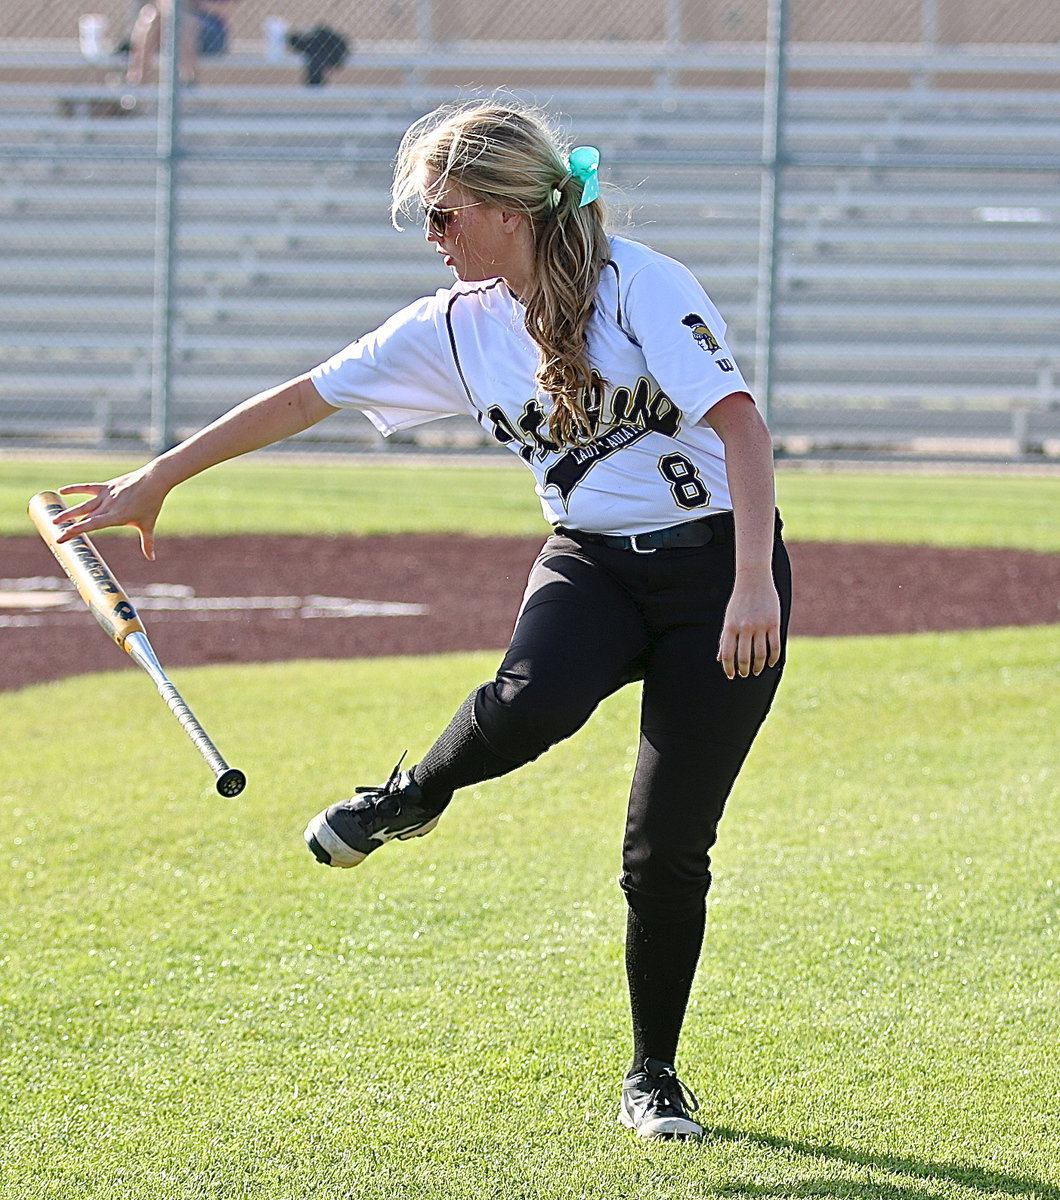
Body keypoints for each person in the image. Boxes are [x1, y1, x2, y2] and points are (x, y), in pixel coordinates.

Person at [51, 100, 791, 1142]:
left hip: (719, 567)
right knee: (528, 704)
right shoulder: (455, 322)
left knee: (664, 845)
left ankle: (653, 1073)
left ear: (506, 210)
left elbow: (742, 428)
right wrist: (158, 477)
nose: (433, 237)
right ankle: (411, 798)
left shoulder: (640, 285)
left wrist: (752, 583)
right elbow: (304, 397)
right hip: (591, 562)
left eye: (444, 215)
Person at [125, 0, 241, 86]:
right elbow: (164, 5)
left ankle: (188, 78)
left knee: (184, 21)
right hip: (172, 26)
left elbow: (228, 10)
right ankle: (138, 79)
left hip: (211, 33)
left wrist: (194, 5)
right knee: (151, 15)